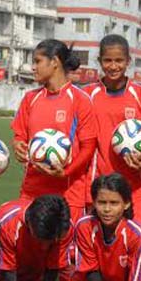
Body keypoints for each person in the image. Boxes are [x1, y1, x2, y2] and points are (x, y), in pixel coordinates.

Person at [11, 39, 96, 222]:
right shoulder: (30, 99)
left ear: (55, 62)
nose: (33, 67)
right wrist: (18, 146)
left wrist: (66, 172)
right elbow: (19, 136)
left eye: (38, 61)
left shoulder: (80, 100)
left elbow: (89, 147)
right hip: (31, 191)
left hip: (68, 194)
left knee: (64, 249)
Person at [58, 174, 141, 281]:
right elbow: (92, 271)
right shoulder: (85, 226)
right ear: (94, 203)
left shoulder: (135, 234)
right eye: (102, 202)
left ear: (126, 204)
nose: (107, 209)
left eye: (114, 203)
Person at [85, 35, 141, 223]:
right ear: (99, 61)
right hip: (99, 184)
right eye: (108, 60)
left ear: (128, 62)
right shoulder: (87, 95)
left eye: (119, 60)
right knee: (101, 244)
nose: (113, 66)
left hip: (136, 185)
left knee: (138, 242)